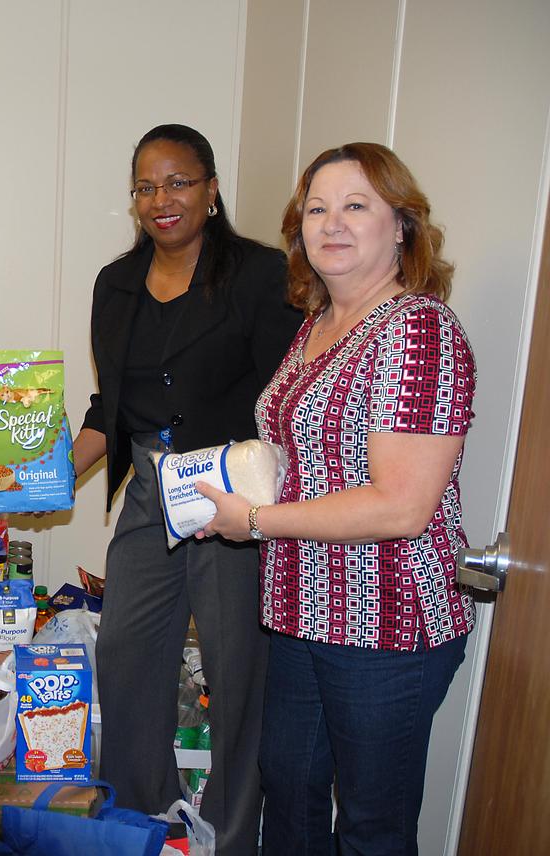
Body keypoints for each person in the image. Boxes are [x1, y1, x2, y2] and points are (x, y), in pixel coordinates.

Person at [197, 143, 475, 855]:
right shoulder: (317, 326)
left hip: (387, 621)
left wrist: (253, 521)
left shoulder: (417, 329)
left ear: (402, 227)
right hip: (302, 610)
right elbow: (308, 457)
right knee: (287, 793)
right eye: (317, 209)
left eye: (357, 206)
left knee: (371, 827)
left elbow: (400, 506)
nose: (333, 223)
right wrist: (226, 486)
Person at [72, 124, 301, 855]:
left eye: (178, 182)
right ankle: (142, 820)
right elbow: (108, 409)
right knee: (127, 654)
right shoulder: (116, 284)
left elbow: (286, 398)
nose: (161, 199)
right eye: (146, 186)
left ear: (210, 188)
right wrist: (40, 477)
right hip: (150, 489)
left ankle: (231, 837)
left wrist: (271, 507)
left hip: (232, 494)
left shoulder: (263, 275)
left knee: (238, 677)